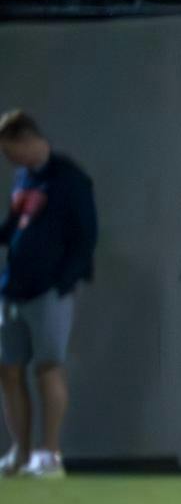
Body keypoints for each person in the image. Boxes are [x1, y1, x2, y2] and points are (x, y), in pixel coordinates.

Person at [1, 110, 98, 479]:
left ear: (27, 139)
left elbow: (86, 237)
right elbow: (14, 228)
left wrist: (63, 283)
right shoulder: (23, 178)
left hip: (49, 292)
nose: (9, 159)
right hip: (13, 290)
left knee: (47, 367)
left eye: (10, 150)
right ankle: (20, 452)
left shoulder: (70, 179)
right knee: (8, 370)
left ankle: (50, 454)